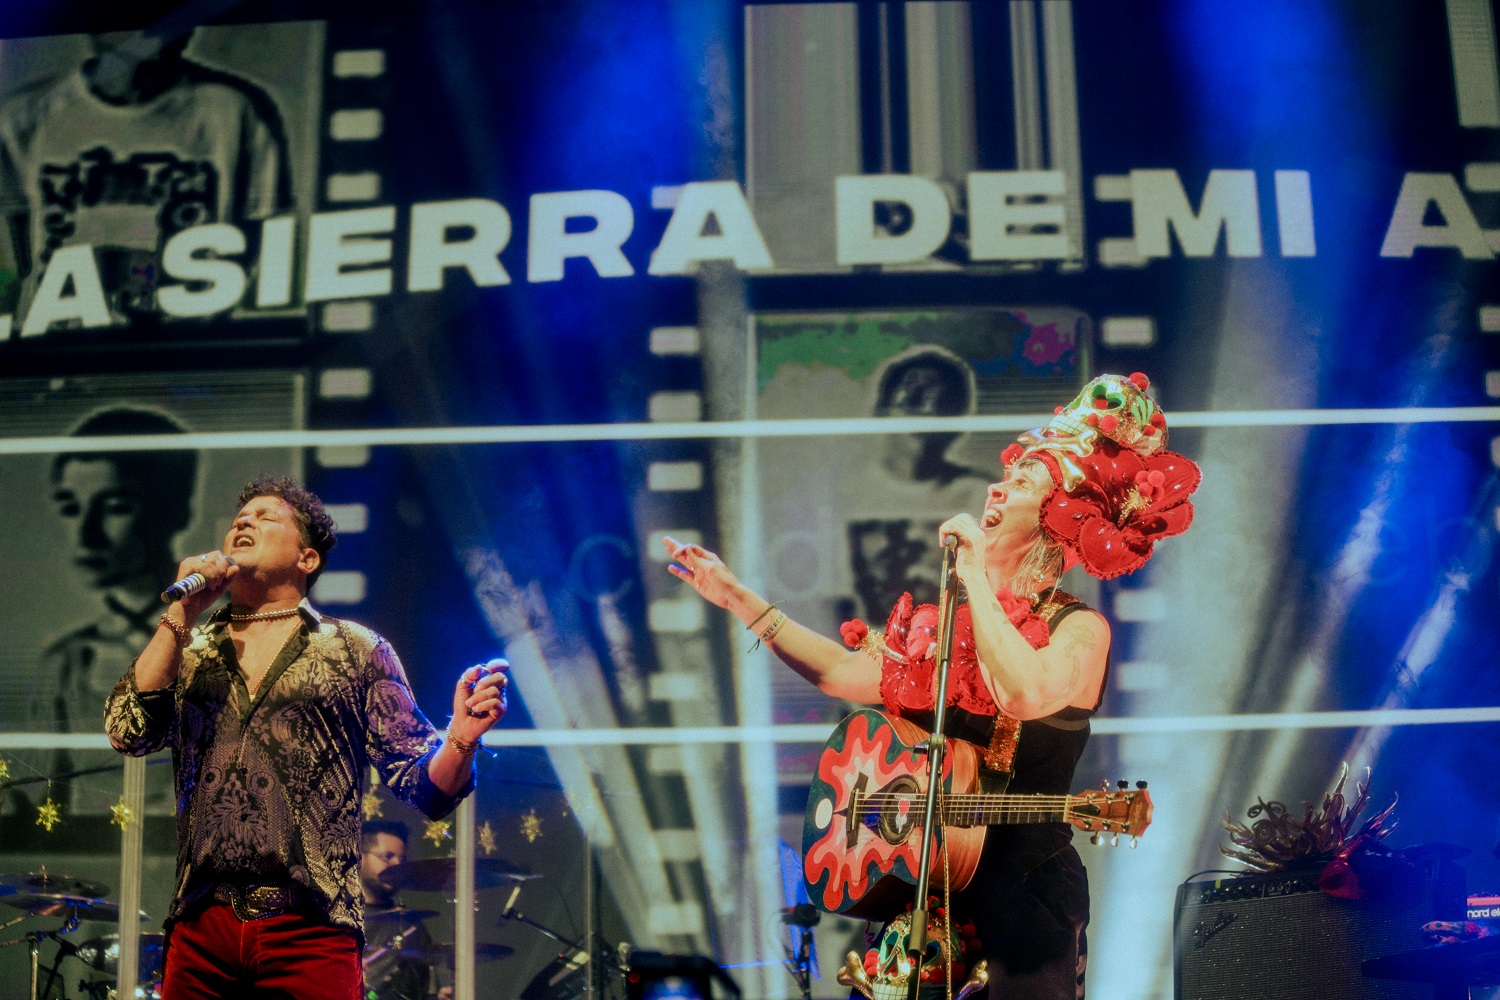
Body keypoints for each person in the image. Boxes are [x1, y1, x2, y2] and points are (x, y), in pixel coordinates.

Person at [665, 373, 1201, 999]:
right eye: (1006, 474)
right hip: (915, 897)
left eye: (1023, 481)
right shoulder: (935, 629)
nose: (997, 488)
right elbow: (842, 672)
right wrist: (737, 598)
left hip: (1021, 903)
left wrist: (973, 572)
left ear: (1058, 515)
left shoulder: (1079, 630)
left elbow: (1022, 695)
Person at [105, 475, 508, 1000]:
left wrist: (460, 739)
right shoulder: (191, 648)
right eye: (238, 519)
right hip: (202, 924)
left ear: (307, 559)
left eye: (265, 516)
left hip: (311, 927)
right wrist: (180, 614)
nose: (244, 522)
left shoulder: (355, 650)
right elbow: (127, 731)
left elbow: (426, 788)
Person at [0, 26, 291, 324]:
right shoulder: (23, 120)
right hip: (61, 353)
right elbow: (14, 264)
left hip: (183, 353)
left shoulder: (239, 111)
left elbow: (264, 252)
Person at [24, 407, 196, 814]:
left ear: (175, 511)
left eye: (116, 506)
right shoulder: (66, 662)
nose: (87, 534)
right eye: (71, 507)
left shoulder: (233, 637)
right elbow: (37, 799)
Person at [360, 820, 451, 1000]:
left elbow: (422, 992)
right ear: (360, 857)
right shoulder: (336, 917)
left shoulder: (412, 928)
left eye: (401, 860)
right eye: (387, 856)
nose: (397, 865)